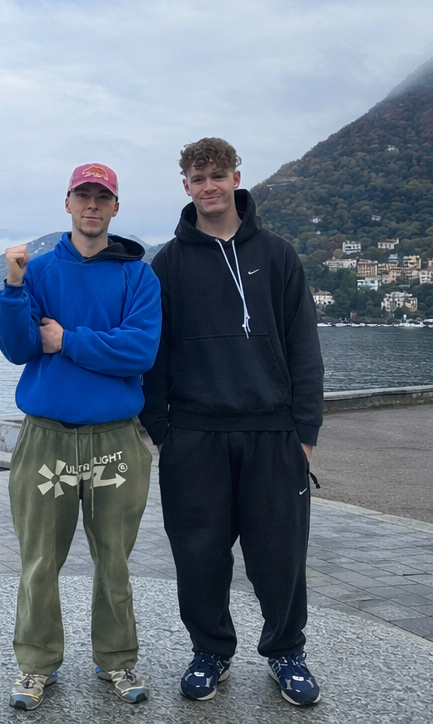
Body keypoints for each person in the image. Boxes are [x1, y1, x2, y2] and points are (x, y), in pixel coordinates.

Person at [140, 137, 325, 706]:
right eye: (198, 178)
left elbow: (303, 348)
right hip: (195, 435)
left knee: (280, 552)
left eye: (218, 175)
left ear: (236, 178)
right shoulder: (167, 263)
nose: (209, 186)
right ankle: (211, 652)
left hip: (272, 433)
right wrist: (164, 432)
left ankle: (287, 653)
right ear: (186, 186)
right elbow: (154, 354)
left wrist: (306, 433)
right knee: (198, 553)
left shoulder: (278, 254)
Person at [0, 162, 162, 710]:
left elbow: (140, 351)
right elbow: (19, 347)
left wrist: (65, 339)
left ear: (115, 207)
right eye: (83, 195)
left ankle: (117, 659)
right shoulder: (39, 272)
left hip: (115, 438)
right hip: (47, 439)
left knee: (114, 556)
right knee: (40, 559)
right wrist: (14, 286)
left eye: (102, 197)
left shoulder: (137, 275)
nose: (92, 205)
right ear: (67, 202)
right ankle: (36, 665)